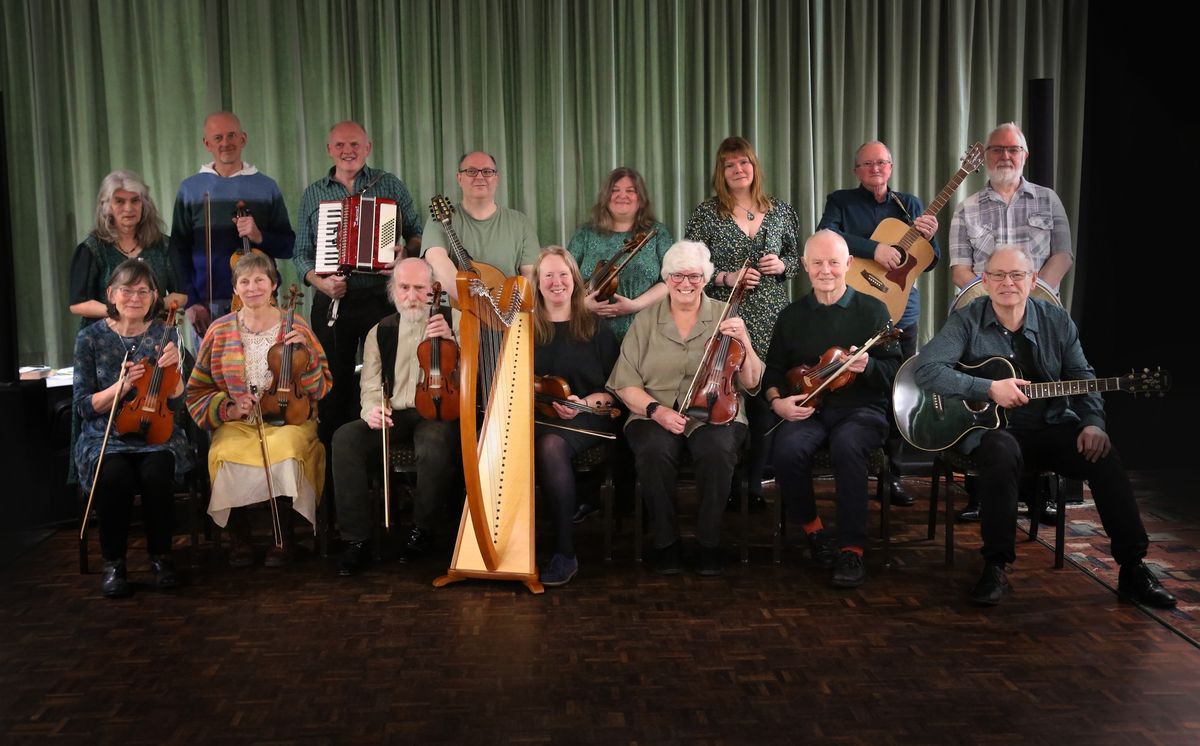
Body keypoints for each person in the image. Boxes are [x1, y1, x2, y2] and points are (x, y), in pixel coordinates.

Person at [913, 245, 1175, 608]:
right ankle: (995, 566)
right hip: (991, 430)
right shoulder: (966, 320)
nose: (1008, 283)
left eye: (1017, 275)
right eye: (999, 275)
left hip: (1049, 427)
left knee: (1105, 455)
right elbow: (927, 370)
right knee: (1001, 453)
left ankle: (1133, 568)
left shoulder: (1057, 322)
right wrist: (988, 387)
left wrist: (1093, 423)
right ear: (985, 281)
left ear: (1032, 280)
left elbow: (1083, 377)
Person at [608, 240, 763, 576]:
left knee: (717, 450)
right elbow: (624, 382)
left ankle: (708, 542)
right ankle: (665, 542)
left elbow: (751, 382)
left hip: (716, 409)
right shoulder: (647, 320)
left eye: (693, 276)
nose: (685, 284)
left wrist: (746, 342)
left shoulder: (726, 314)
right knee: (652, 450)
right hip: (654, 410)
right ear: (667, 278)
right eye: (677, 276)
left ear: (705, 278)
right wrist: (655, 411)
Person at [763, 231, 900, 588]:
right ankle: (814, 531)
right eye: (818, 263)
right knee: (788, 448)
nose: (826, 270)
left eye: (834, 262)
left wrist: (868, 366)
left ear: (848, 264)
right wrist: (778, 402)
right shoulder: (791, 316)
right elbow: (774, 371)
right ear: (806, 266)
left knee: (848, 445)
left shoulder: (872, 310)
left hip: (862, 411)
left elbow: (893, 375)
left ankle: (852, 549)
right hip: (810, 410)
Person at [186, 253, 332, 567]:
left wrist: (303, 358)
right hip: (240, 421)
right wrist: (228, 407)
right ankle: (240, 540)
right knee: (224, 452)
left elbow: (322, 387)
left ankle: (284, 540)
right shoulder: (219, 330)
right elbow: (197, 389)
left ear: (274, 284)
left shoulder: (297, 326)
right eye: (244, 282)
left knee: (287, 448)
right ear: (235, 289)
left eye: (260, 280)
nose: (252, 288)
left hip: (289, 419)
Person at [816, 140, 941, 507]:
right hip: (850, 307)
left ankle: (892, 476)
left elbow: (928, 264)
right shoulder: (840, 201)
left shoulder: (911, 204)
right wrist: (874, 250)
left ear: (891, 167)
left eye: (882, 163)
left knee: (898, 390)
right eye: (868, 164)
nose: (875, 169)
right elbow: (827, 238)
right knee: (840, 381)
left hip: (901, 313)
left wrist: (928, 240)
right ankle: (843, 462)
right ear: (856, 170)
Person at [684, 136, 800, 512]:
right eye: (730, 164)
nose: (738, 170)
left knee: (767, 394)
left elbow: (797, 257)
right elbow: (692, 267)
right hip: (726, 314)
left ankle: (754, 483)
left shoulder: (780, 210)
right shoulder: (706, 214)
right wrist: (725, 277)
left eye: (744, 163)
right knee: (728, 392)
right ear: (721, 171)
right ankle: (730, 481)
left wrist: (782, 267)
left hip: (772, 317)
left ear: (754, 166)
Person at [294, 120, 423, 451]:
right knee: (333, 384)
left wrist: (404, 253)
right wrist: (321, 283)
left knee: (385, 380)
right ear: (329, 150)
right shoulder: (314, 193)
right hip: (332, 300)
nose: (347, 151)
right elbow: (301, 255)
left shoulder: (389, 184)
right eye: (340, 145)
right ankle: (338, 472)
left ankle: (382, 467)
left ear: (368, 147)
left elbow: (416, 232)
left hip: (381, 298)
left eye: (354, 145)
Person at [333, 258, 460, 576]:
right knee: (345, 438)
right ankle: (356, 540)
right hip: (394, 412)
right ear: (393, 291)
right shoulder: (382, 330)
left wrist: (454, 340)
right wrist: (371, 409)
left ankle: (423, 530)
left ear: (433, 292)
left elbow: (475, 371)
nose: (412, 295)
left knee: (435, 444)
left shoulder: (452, 319)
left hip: (436, 411)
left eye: (420, 288)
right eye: (404, 288)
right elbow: (370, 381)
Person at [73, 260, 191, 597]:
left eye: (144, 291)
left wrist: (176, 374)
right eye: (127, 290)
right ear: (111, 294)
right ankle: (114, 563)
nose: (135, 297)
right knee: (113, 477)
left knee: (158, 472)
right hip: (106, 436)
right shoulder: (90, 338)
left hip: (157, 433)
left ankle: (161, 558)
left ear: (155, 296)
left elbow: (176, 403)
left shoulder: (165, 334)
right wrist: (120, 388)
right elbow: (83, 406)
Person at [531, 247, 619, 586]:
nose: (556, 282)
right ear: (537, 283)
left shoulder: (595, 328)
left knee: (551, 446)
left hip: (588, 415)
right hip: (538, 416)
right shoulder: (525, 328)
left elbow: (613, 391)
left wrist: (583, 403)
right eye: (548, 275)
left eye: (563, 275)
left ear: (574, 280)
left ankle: (565, 553)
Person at [170, 111, 295, 333]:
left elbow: (288, 246)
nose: (225, 143)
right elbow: (178, 249)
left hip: (259, 300)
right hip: (207, 304)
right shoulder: (191, 188)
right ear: (207, 143)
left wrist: (259, 236)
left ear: (243, 139)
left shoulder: (267, 187)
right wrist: (190, 303)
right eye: (218, 138)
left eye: (231, 136)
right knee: (213, 367)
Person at [949, 122, 1073, 292]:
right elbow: (960, 271)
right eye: (997, 150)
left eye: (1013, 150)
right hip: (983, 309)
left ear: (1025, 156)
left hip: (1040, 307)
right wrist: (996, 301)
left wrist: (1030, 299)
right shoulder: (965, 209)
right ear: (985, 156)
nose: (1005, 156)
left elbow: (1063, 256)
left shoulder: (1049, 200)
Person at [567, 167, 674, 343]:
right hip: (591, 332)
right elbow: (566, 278)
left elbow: (672, 279)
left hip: (646, 331)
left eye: (630, 191)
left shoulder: (656, 233)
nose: (622, 195)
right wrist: (583, 304)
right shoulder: (585, 233)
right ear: (605, 197)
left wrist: (636, 305)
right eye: (614, 190)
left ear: (640, 199)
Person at [69, 171, 187, 328]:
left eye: (135, 201)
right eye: (119, 201)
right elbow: (78, 304)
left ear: (144, 204)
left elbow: (181, 295)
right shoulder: (92, 248)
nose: (128, 208)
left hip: (154, 335)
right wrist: (119, 311)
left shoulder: (164, 245)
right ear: (107, 207)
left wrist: (150, 308)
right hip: (102, 338)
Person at [422, 151, 539, 299]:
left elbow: (530, 278)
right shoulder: (439, 221)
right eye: (471, 171)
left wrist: (507, 313)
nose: (479, 177)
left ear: (496, 178)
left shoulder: (521, 223)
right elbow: (437, 263)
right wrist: (476, 305)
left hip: (507, 314)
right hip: (456, 314)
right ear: (459, 178)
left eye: (487, 172)